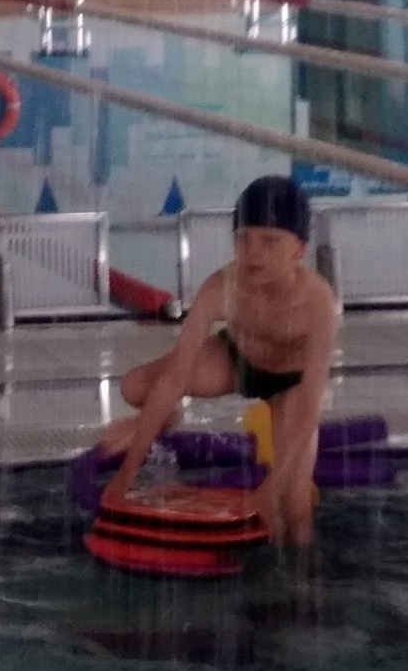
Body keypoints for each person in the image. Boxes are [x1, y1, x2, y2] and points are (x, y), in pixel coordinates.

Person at [99, 176, 338, 547]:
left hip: (289, 386)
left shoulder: (318, 302)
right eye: (243, 239)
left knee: (294, 507)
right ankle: (168, 417)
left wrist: (269, 487)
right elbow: (174, 377)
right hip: (236, 360)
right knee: (135, 387)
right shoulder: (221, 286)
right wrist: (127, 473)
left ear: (299, 250)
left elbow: (310, 406)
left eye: (270, 241)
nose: (253, 252)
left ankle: (300, 578)